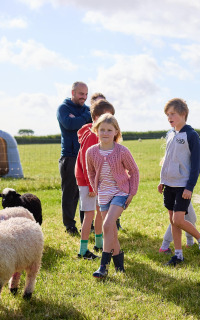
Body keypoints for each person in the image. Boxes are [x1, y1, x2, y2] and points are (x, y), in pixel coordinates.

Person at [158, 98, 200, 266]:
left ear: (183, 114)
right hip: (169, 185)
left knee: (179, 220)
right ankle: (178, 255)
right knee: (173, 221)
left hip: (182, 186)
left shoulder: (191, 135)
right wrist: (162, 180)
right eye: (167, 114)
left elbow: (197, 163)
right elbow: (166, 159)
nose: (169, 117)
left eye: (172, 113)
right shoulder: (170, 134)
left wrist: (190, 187)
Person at [86, 114, 139, 278]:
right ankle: (119, 266)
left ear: (116, 131)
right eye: (102, 130)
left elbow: (134, 171)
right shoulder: (91, 152)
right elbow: (91, 171)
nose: (105, 133)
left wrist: (131, 192)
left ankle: (103, 266)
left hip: (120, 192)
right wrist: (96, 187)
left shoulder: (122, 151)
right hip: (103, 193)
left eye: (109, 130)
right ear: (96, 130)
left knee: (107, 224)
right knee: (111, 230)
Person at [75, 96, 114, 260]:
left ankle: (99, 244)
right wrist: (91, 186)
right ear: (98, 117)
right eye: (108, 117)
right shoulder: (92, 134)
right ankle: (83, 251)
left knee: (100, 211)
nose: (111, 121)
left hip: (95, 180)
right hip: (87, 181)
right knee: (89, 214)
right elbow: (85, 161)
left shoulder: (96, 131)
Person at [57, 81, 92, 235]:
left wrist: (80, 119)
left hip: (86, 157)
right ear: (73, 93)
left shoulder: (87, 109)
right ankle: (70, 226)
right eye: (81, 94)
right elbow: (70, 124)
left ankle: (87, 223)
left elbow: (90, 125)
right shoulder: (63, 108)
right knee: (70, 193)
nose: (84, 97)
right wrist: (84, 117)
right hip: (70, 157)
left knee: (85, 192)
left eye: (86, 94)